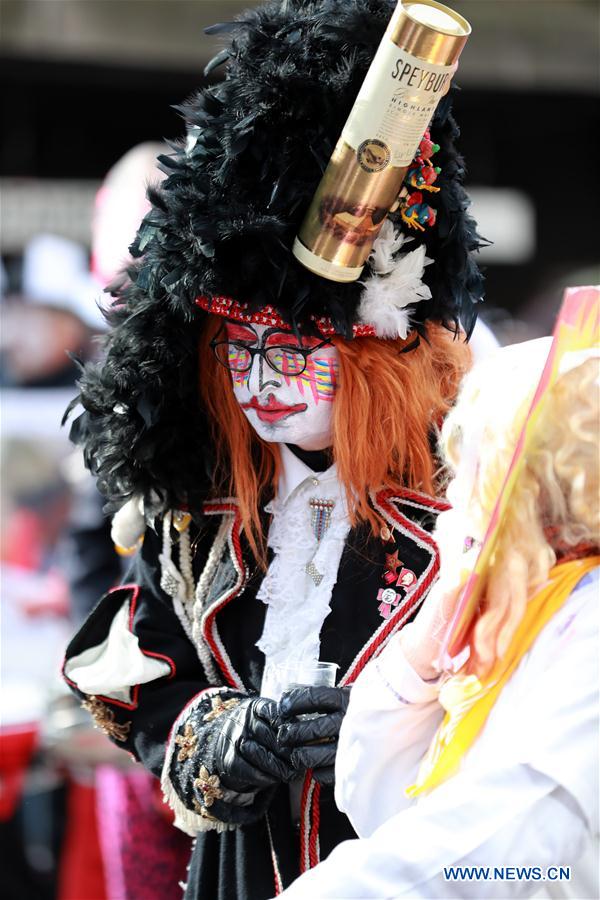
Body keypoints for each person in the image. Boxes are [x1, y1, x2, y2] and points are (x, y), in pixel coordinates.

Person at [61, 1, 486, 897]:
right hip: (243, 869)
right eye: (242, 352)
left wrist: (389, 741)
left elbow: (537, 710)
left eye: (294, 354)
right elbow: (126, 667)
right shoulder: (206, 500)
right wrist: (215, 738)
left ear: (375, 358)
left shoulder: (473, 501)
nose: (262, 381)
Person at [276, 331, 599, 899]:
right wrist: (424, 651)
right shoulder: (527, 601)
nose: (458, 499)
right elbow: (381, 794)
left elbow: (506, 854)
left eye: (479, 467)